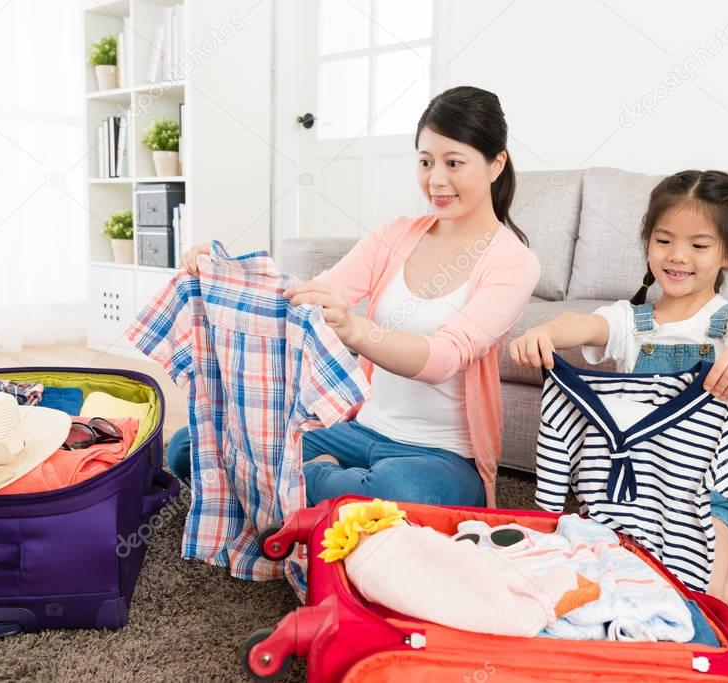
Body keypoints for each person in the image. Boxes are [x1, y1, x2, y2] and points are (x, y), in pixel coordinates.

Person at [172, 85, 540, 509]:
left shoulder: (514, 261)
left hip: (439, 456)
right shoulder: (396, 234)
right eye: (425, 162)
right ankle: (329, 488)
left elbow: (443, 359)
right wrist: (222, 269)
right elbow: (306, 295)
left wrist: (355, 329)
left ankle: (303, 483)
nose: (436, 180)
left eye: (454, 163)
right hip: (359, 428)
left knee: (405, 495)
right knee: (188, 447)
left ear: (496, 165)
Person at [510, 169, 728, 604]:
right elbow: (582, 323)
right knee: (602, 583)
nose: (677, 256)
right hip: (629, 487)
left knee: (703, 600)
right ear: (648, 243)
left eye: (698, 245)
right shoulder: (632, 321)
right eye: (663, 240)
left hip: (704, 493)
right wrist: (545, 332)